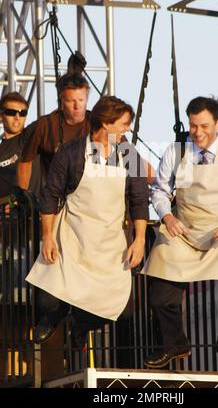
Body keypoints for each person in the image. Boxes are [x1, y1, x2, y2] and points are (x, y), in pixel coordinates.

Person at [142, 96, 218, 371]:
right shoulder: (176, 151)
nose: (198, 132)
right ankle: (175, 343)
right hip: (183, 230)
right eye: (193, 125)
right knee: (160, 298)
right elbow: (159, 191)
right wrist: (167, 215)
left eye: (204, 126)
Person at [25, 96, 149, 346]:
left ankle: (81, 325)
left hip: (109, 243)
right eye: (124, 124)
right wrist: (47, 236)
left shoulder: (128, 154)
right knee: (49, 300)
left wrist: (140, 239)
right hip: (71, 236)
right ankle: (54, 317)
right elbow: (50, 196)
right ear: (106, 123)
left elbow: (139, 199)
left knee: (120, 307)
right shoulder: (71, 152)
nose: (127, 129)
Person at [17, 73, 91, 190]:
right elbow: (25, 162)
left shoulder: (99, 123)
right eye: (71, 101)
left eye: (81, 100)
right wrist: (23, 195)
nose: (77, 106)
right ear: (61, 100)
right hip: (56, 199)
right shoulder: (45, 125)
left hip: (91, 197)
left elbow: (124, 155)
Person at [0, 92, 40, 197]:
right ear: (1, 116)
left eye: (22, 113)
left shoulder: (31, 136)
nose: (17, 117)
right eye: (11, 112)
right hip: (8, 211)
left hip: (37, 210)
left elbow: (55, 117)